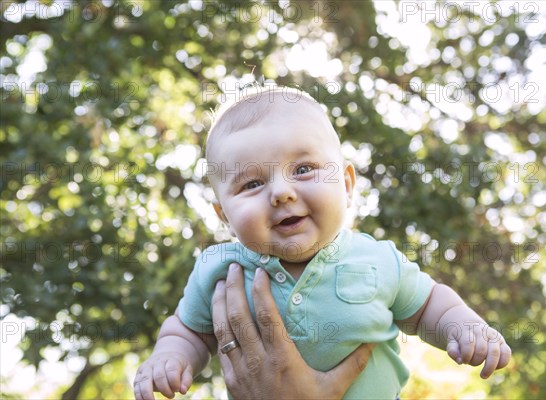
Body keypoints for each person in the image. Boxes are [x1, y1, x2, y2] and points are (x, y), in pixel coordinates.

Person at [133, 86, 511, 399]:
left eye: (303, 169)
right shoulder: (219, 268)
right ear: (224, 216)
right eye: (251, 183)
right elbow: (187, 330)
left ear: (346, 184)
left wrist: (465, 328)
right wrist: (170, 357)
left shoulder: (376, 259)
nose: (281, 192)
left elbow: (431, 305)